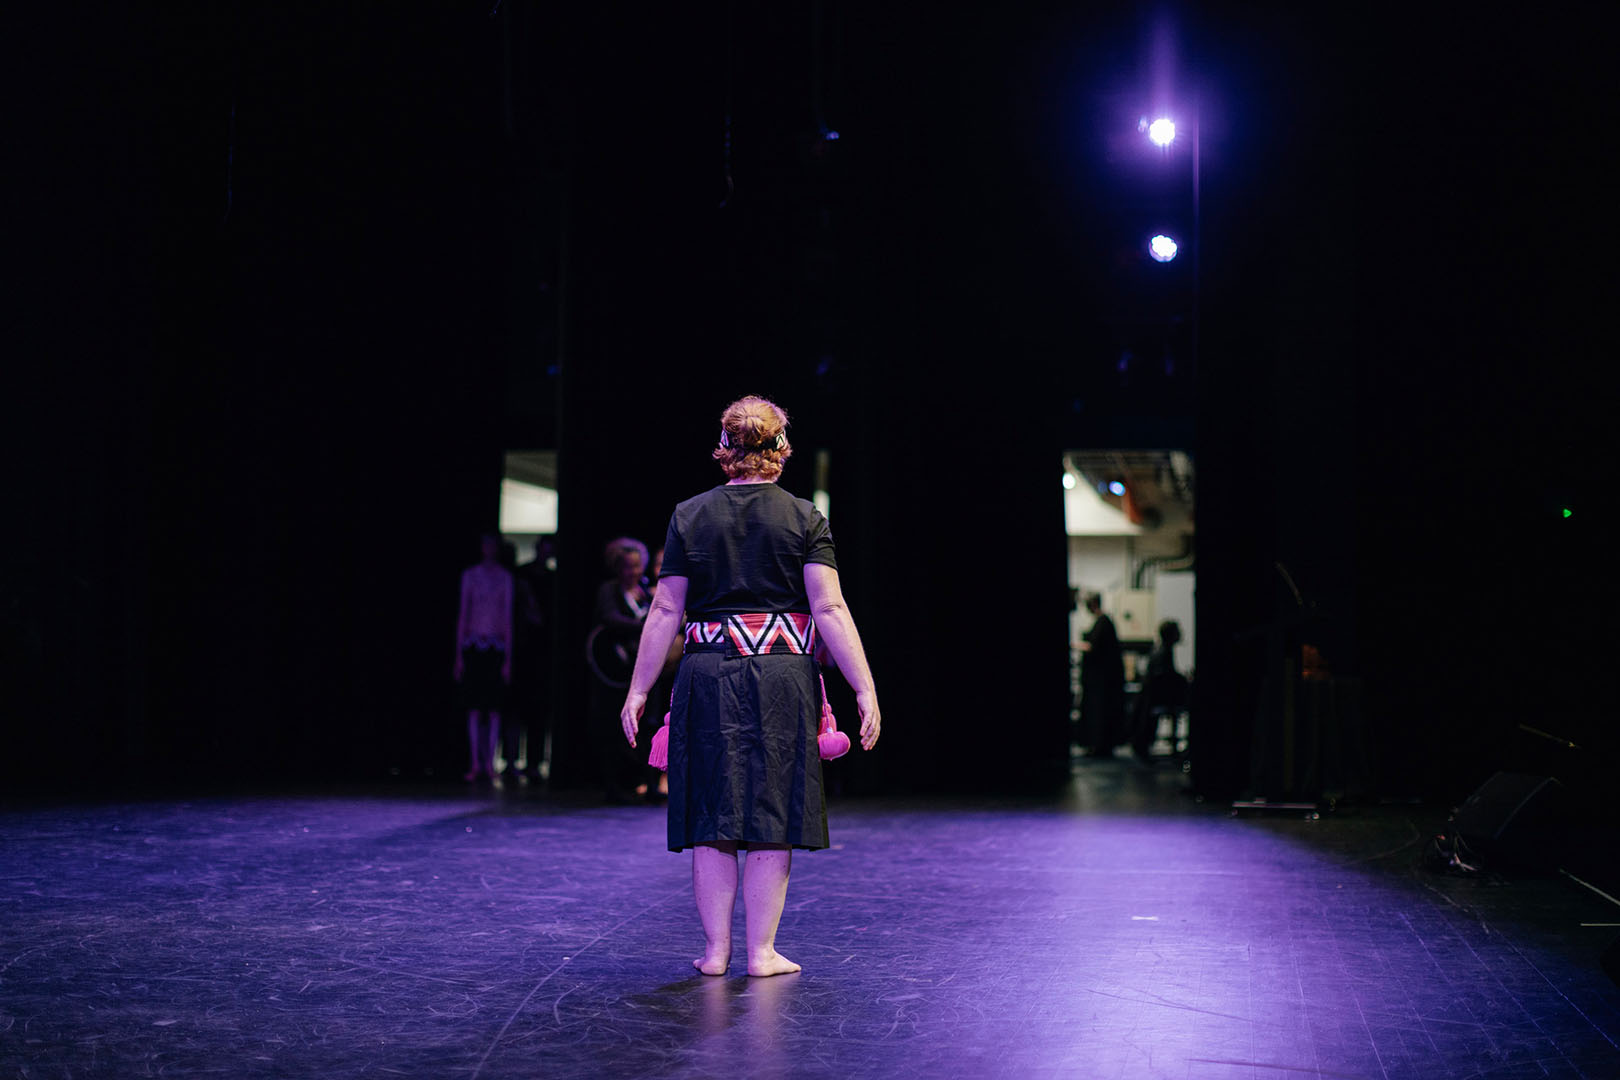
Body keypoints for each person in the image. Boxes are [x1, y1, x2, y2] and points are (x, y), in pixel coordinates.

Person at [619, 396, 880, 978]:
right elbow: (830, 607)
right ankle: (760, 953)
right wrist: (864, 688)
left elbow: (664, 608)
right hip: (783, 679)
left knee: (712, 812)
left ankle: (717, 953)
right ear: (780, 450)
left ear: (726, 449)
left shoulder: (689, 515)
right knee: (772, 811)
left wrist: (638, 690)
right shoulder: (806, 517)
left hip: (706, 675)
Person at [590, 539, 652, 803]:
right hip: (613, 672)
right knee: (611, 727)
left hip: (637, 671)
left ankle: (647, 784)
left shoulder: (646, 592)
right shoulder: (609, 591)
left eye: (638, 567)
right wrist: (643, 625)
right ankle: (613, 786)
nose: (634, 572)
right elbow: (610, 618)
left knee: (648, 726)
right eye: (628, 567)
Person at [454, 532, 513, 782]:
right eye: (485, 545)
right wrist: (458, 655)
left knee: (494, 709)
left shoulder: (504, 578)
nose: (489, 550)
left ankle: (489, 763)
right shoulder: (471, 576)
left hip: (495, 648)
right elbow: (463, 614)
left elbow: (507, 618)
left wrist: (509, 658)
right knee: (475, 709)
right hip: (473, 646)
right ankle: (475, 763)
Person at [1129, 619, 1189, 761]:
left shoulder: (1160, 650)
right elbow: (1166, 677)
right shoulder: (1164, 652)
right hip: (1158, 698)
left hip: (1152, 697)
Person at [1078, 591, 1125, 757]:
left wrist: (1077, 645)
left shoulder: (1103, 622)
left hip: (1102, 681)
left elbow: (1094, 647)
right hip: (1103, 680)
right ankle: (1099, 745)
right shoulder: (1104, 622)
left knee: (1099, 713)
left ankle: (1099, 745)